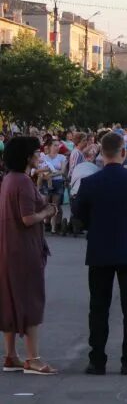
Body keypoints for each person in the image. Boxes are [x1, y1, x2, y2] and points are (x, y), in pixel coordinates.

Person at [72, 132, 127, 375]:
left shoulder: (90, 183)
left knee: (98, 307)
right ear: (124, 152)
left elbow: (78, 217)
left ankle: (97, 360)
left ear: (101, 154)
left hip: (99, 250)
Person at [0, 136, 58, 375]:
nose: (40, 155)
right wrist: (46, 211)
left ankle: (11, 355)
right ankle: (33, 358)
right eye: (36, 152)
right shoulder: (23, 181)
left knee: (10, 300)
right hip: (24, 249)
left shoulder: (8, 180)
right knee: (31, 300)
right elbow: (26, 218)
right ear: (27, 156)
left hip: (8, 247)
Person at [39, 139, 67, 234]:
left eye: (58, 145)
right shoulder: (45, 157)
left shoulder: (62, 157)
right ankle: (45, 223)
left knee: (55, 205)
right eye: (55, 145)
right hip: (46, 182)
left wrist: (51, 175)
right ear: (50, 146)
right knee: (45, 203)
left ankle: (53, 227)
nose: (57, 147)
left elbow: (63, 171)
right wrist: (45, 175)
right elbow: (41, 170)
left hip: (58, 182)